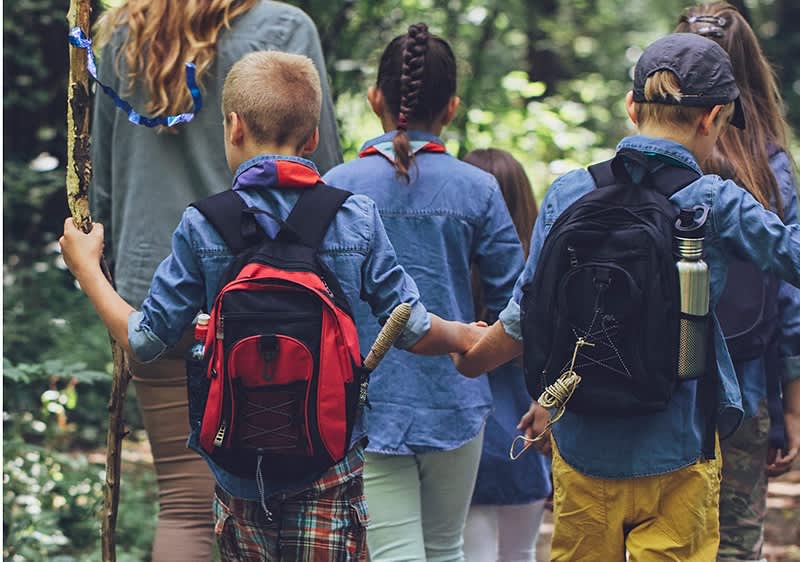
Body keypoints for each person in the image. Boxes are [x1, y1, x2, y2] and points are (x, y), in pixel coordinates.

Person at [62, 50, 484, 560]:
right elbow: (410, 327)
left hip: (238, 467)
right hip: (329, 462)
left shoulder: (204, 224)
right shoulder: (355, 218)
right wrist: (465, 337)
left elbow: (146, 341)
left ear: (233, 127)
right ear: (311, 139)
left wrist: (89, 269)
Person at [452, 32, 800, 561]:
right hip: (679, 449)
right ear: (712, 120)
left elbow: (527, 317)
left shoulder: (569, 192)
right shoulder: (714, 200)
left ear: (631, 107)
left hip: (586, 447)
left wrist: (471, 353)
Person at [90, 1, 341, 559]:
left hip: (152, 291)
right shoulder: (282, 27)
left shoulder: (125, 32)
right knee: (288, 501)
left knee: (183, 505)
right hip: (274, 297)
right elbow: (320, 169)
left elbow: (103, 188)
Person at [323, 23, 525, 561]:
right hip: (458, 401)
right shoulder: (477, 188)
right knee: (445, 549)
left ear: (375, 100)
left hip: (366, 400)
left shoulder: (334, 187)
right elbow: (519, 301)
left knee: (393, 553)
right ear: (452, 108)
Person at [675, 5, 800, 561]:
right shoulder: (770, 164)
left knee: (664, 535)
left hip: (659, 385)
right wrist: (794, 408)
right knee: (736, 541)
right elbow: (792, 292)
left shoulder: (646, 165)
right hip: (746, 383)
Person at [460, 148, 551, 562]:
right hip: (524, 441)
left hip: (466, 446)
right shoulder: (542, 273)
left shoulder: (453, 275)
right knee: (521, 553)